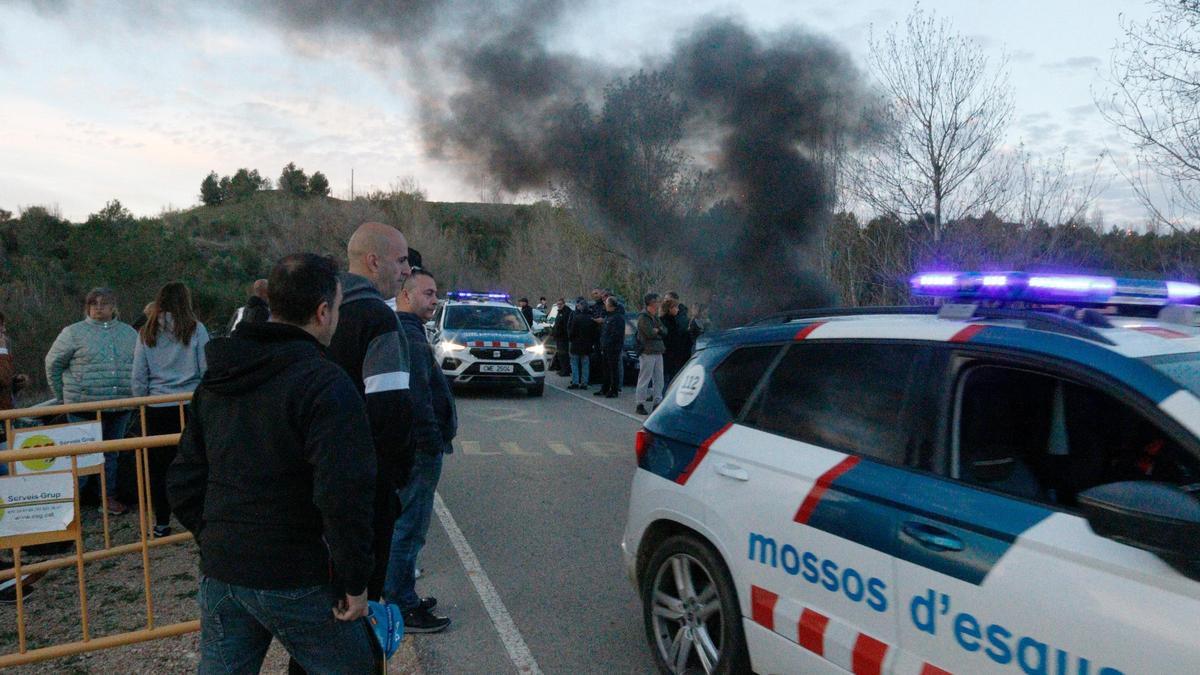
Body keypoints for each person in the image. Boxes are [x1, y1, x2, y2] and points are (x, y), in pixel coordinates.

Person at [167, 253, 380, 674]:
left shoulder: (219, 378)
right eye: (336, 308)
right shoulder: (324, 383)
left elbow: (183, 480)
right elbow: (343, 492)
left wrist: (217, 538)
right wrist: (356, 582)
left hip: (224, 570)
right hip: (296, 575)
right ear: (323, 312)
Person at [327, 222, 414, 603]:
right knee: (361, 610)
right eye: (401, 260)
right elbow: (390, 411)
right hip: (366, 487)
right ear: (374, 262)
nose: (407, 270)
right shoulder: (378, 318)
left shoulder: (324, 312)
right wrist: (393, 480)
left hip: (320, 479)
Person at [386, 269, 455, 633]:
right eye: (427, 294)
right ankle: (401, 603)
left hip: (414, 447)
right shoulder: (409, 336)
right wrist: (430, 442)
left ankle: (401, 592)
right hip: (419, 450)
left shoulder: (410, 332)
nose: (434, 300)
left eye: (435, 293)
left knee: (408, 525)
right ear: (406, 295)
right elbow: (417, 398)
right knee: (410, 527)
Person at [45, 288, 138, 516]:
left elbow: (139, 364)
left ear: (113, 306)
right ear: (87, 307)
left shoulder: (129, 334)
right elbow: (53, 363)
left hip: (119, 404)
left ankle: (107, 497)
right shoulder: (72, 333)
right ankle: (74, 502)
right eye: (93, 303)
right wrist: (64, 396)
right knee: (82, 455)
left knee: (112, 454)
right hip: (83, 405)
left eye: (103, 303)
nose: (98, 307)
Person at [132, 282, 209, 538]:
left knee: (160, 467)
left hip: (157, 407)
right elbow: (205, 369)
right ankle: (200, 516)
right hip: (189, 403)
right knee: (197, 461)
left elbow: (139, 375)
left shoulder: (146, 332)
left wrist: (141, 401)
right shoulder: (196, 329)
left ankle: (162, 522)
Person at [635, 293, 667, 415]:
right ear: (651, 303)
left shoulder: (655, 317)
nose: (658, 304)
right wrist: (658, 330)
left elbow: (664, 330)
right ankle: (640, 403)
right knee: (644, 377)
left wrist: (658, 330)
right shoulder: (643, 318)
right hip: (647, 351)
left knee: (659, 378)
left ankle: (657, 401)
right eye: (656, 302)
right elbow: (649, 333)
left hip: (658, 350)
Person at [0, 312, 29, 416]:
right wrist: (2, 351)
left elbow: (4, 381)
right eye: (1, 326)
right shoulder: (2, 350)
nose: (4, 330)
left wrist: (15, 383)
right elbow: (2, 379)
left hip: (7, 414)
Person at [661, 296, 694, 386]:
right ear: (670, 309)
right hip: (669, 354)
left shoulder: (674, 320)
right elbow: (670, 337)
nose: (677, 310)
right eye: (675, 308)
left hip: (674, 354)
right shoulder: (665, 321)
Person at [597, 297, 625, 398]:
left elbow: (616, 335)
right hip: (605, 347)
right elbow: (605, 332)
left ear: (611, 305)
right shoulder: (608, 317)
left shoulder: (617, 318)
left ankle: (614, 390)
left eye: (606, 303)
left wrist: (609, 344)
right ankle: (605, 388)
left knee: (613, 370)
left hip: (613, 348)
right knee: (606, 369)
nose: (605, 305)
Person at [566, 298, 593, 390]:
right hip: (587, 344)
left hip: (576, 344)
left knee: (574, 364)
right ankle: (584, 382)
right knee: (585, 364)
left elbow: (572, 331)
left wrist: (571, 338)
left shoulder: (576, 318)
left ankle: (575, 382)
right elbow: (594, 333)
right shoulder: (591, 318)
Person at [551, 298, 572, 376]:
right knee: (560, 354)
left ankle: (565, 371)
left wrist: (558, 332)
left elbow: (565, 326)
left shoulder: (566, 312)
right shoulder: (560, 312)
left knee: (564, 354)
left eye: (560, 304)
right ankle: (562, 369)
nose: (559, 306)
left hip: (563, 337)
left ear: (564, 304)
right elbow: (557, 324)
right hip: (559, 337)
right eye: (558, 304)